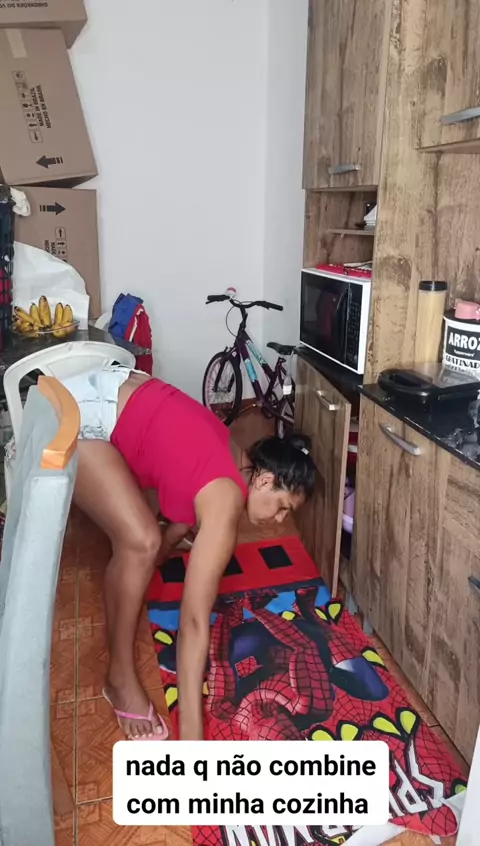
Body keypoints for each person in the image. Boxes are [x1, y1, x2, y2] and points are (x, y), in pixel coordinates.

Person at [61, 364, 317, 741]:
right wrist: (192, 738)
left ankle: (145, 560)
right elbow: (194, 621)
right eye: (283, 507)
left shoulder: (235, 455)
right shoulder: (225, 502)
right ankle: (118, 679)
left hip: (98, 388)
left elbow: (182, 517)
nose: (280, 521)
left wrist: (165, 550)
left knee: (151, 543)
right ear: (264, 480)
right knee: (141, 541)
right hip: (73, 413)